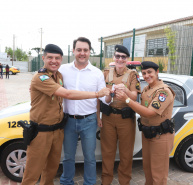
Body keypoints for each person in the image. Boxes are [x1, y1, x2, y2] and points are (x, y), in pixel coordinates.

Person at [21, 44, 110, 185]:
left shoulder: (59, 75)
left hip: (57, 130)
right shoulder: (40, 78)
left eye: (57, 58)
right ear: (43, 58)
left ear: (61, 59)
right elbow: (67, 94)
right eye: (50, 57)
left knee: (50, 170)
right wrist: (97, 94)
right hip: (41, 132)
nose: (53, 61)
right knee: (33, 172)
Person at [59, 37, 111, 185]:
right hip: (68, 120)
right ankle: (66, 181)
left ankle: (89, 183)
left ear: (89, 52)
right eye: (79, 49)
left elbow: (102, 98)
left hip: (89, 121)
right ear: (73, 51)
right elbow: (50, 83)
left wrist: (109, 96)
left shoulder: (96, 73)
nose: (82, 53)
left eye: (85, 50)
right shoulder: (63, 70)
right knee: (68, 156)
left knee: (89, 157)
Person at [116, 61, 175, 185]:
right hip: (148, 134)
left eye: (150, 72)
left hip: (160, 136)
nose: (147, 75)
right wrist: (128, 94)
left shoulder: (163, 92)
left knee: (158, 175)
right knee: (148, 171)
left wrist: (127, 100)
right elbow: (142, 108)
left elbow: (149, 113)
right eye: (144, 73)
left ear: (157, 72)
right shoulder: (147, 89)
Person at [100, 45, 141, 185]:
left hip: (125, 118)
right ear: (113, 57)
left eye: (123, 57)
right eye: (117, 56)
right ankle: (106, 181)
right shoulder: (105, 73)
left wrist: (126, 92)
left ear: (127, 59)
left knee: (126, 154)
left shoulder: (132, 75)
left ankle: (124, 182)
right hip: (108, 118)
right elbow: (98, 95)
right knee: (107, 152)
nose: (120, 59)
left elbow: (134, 97)